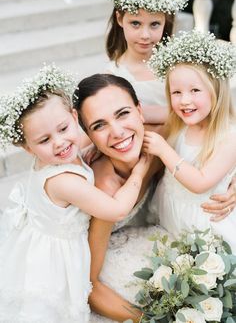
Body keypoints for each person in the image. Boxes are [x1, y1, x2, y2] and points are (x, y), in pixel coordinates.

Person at [73, 73, 236, 323]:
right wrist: (151, 319)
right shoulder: (105, 190)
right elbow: (88, 284)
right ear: (89, 136)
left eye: (123, 113)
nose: (117, 132)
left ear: (141, 111)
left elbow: (217, 118)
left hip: (162, 236)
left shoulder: (160, 142)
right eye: (99, 125)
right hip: (107, 269)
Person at [0, 65, 151, 322]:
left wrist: (94, 142)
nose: (59, 142)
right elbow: (116, 209)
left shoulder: (66, 151)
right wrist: (140, 171)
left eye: (63, 129)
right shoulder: (63, 181)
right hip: (53, 260)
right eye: (44, 140)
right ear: (28, 148)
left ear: (73, 117)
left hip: (44, 235)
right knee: (50, 311)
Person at [144, 30, 236, 252]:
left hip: (204, 224)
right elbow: (140, 113)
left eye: (195, 90)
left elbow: (200, 183)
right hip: (173, 213)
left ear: (216, 90)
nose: (185, 100)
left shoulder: (228, 135)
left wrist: (163, 150)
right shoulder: (181, 120)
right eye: (176, 92)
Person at [101, 0, 189, 126]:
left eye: (154, 24)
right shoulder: (114, 76)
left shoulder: (178, 64)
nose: (145, 35)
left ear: (165, 21)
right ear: (120, 18)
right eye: (135, 23)